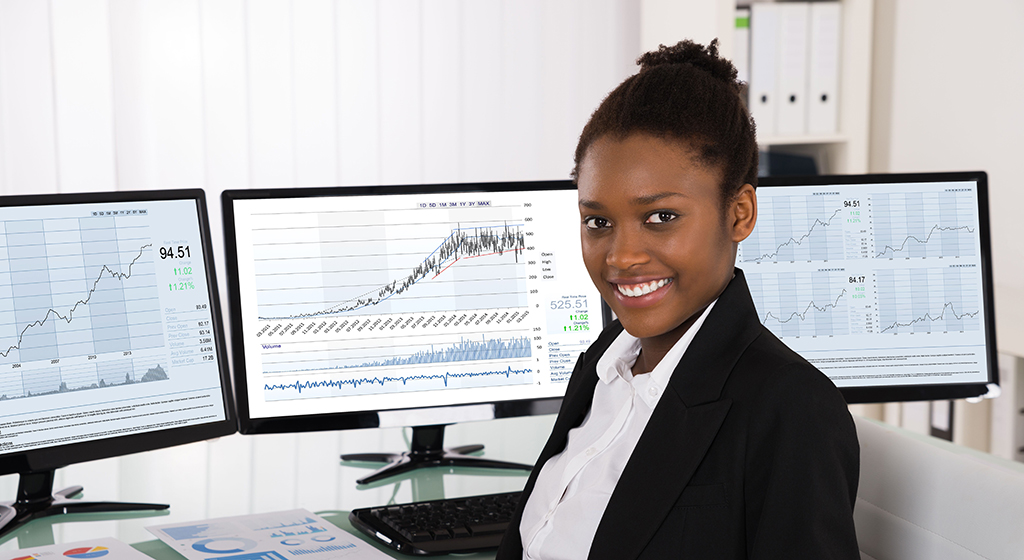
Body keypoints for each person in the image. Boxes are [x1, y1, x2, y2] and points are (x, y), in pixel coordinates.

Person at [495, 39, 860, 559]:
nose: (620, 257)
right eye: (598, 222)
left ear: (739, 214)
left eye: (660, 217)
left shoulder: (792, 408)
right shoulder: (602, 362)